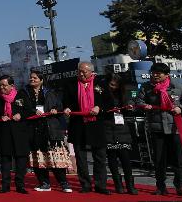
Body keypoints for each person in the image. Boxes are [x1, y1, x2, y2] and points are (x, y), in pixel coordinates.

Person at [134, 62, 182, 196]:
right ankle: (160, 186)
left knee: (178, 160)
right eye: (153, 72)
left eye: (158, 73)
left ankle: (180, 186)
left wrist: (181, 108)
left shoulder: (178, 87)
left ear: (167, 75)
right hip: (156, 129)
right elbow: (137, 102)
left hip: (175, 129)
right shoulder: (146, 87)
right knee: (159, 159)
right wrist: (144, 106)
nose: (155, 75)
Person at [62, 62, 109, 194]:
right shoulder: (71, 84)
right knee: (81, 157)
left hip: (96, 124)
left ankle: (101, 184)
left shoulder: (100, 83)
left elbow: (109, 101)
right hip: (78, 124)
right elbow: (66, 101)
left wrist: (99, 107)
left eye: (84, 72)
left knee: (99, 156)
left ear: (91, 72)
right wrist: (67, 107)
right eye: (79, 71)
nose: (81, 74)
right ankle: (85, 184)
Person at [25, 70, 71, 193]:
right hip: (34, 129)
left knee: (55, 158)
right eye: (31, 78)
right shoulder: (25, 92)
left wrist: (55, 109)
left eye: (35, 78)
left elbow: (59, 106)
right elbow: (22, 107)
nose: (32, 79)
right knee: (38, 158)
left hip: (51, 128)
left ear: (41, 80)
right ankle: (44, 183)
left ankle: (64, 183)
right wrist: (32, 111)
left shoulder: (50, 92)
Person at [0, 75, 30, 194]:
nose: (1, 87)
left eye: (4, 85)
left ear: (12, 86)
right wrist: (0, 116)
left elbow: (29, 110)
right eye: (0, 85)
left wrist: (21, 115)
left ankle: (20, 184)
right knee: (5, 159)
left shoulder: (21, 95)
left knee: (21, 159)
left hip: (20, 132)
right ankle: (5, 185)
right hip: (4, 131)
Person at [104, 74, 137, 195]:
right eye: (111, 84)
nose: (112, 87)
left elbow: (132, 106)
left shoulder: (124, 94)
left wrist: (129, 107)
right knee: (112, 159)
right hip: (107, 128)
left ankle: (130, 184)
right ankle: (118, 184)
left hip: (121, 128)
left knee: (125, 159)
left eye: (115, 85)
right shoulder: (103, 94)